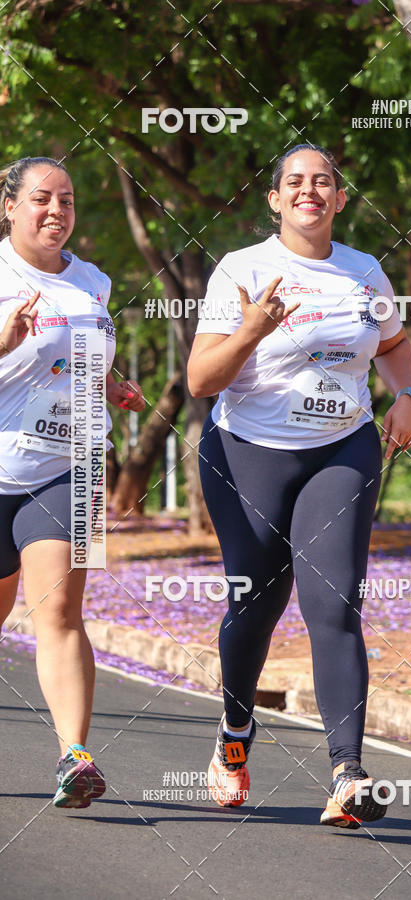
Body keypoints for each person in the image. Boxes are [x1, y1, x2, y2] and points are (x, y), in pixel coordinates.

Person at [187, 144, 411, 828]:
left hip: (342, 449)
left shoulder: (363, 270)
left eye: (323, 182)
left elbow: (393, 344)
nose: (309, 191)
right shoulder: (243, 268)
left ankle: (348, 775)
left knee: (336, 602)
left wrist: (405, 392)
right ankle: (235, 735)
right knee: (256, 604)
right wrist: (253, 330)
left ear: (341, 199)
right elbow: (202, 381)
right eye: (295, 182)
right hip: (247, 453)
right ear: (275, 199)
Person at [0, 156, 145, 808]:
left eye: (66, 200)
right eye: (40, 198)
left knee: (58, 612)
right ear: (9, 206)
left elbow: (72, 363)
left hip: (71, 468)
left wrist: (109, 386)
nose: (56, 210)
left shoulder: (94, 283)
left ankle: (75, 757)